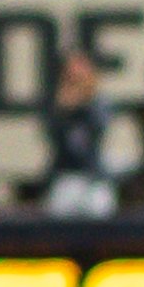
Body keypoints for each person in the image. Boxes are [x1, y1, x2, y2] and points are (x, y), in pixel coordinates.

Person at [35, 50, 120, 213]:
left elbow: (99, 125)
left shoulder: (99, 102)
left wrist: (84, 97)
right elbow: (52, 132)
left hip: (93, 177)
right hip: (64, 176)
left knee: (99, 207)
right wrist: (64, 107)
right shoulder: (54, 104)